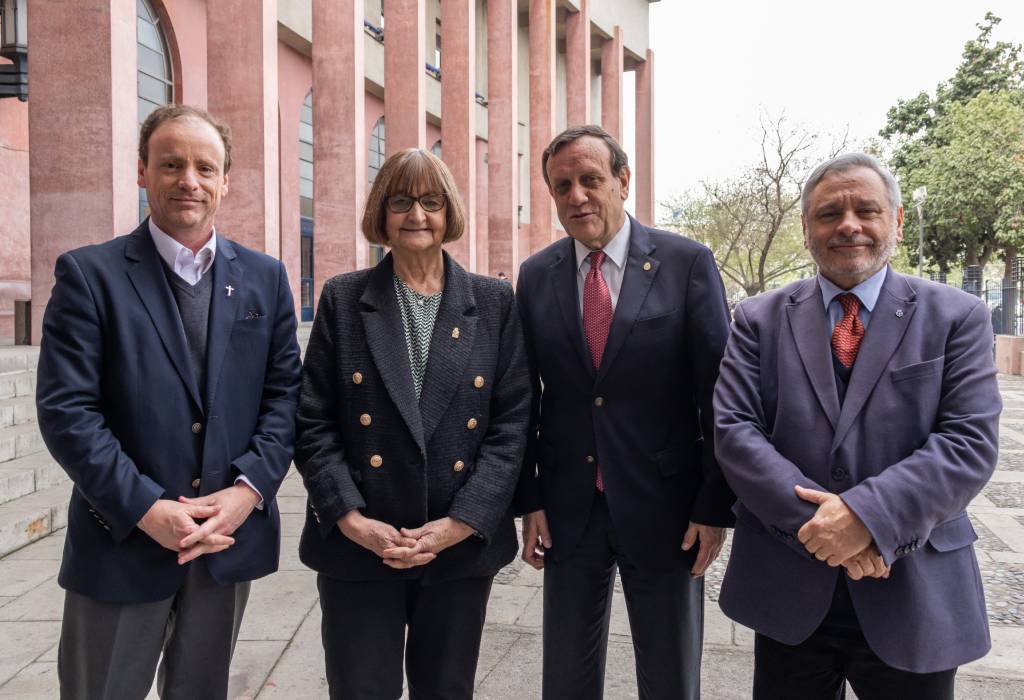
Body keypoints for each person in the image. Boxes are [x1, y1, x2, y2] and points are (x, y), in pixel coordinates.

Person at [35, 104, 302, 700]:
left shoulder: (264, 277)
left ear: (225, 180)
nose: (189, 179)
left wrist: (245, 492)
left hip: (224, 541)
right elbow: (67, 412)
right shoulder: (89, 275)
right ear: (142, 171)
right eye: (172, 163)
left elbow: (285, 397)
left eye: (205, 167)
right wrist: (147, 509)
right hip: (123, 541)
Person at [714, 153, 1000, 699]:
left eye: (866, 210)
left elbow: (968, 443)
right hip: (788, 592)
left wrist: (867, 518)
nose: (848, 224)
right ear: (806, 230)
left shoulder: (958, 317)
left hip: (915, 592)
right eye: (829, 214)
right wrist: (829, 532)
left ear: (894, 220)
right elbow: (736, 433)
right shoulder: (756, 320)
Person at [295, 148, 530, 699]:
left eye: (431, 201)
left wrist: (460, 524)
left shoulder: (494, 302)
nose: (416, 215)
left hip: (456, 549)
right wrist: (354, 522)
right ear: (381, 212)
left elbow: (513, 423)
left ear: (449, 212)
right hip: (360, 547)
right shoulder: (344, 297)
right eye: (401, 201)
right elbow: (313, 421)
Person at [514, 125, 734, 700]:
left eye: (591, 180)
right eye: (562, 186)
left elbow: (720, 394)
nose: (577, 196)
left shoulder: (686, 263)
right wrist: (530, 497)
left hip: (667, 507)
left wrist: (715, 504)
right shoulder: (536, 276)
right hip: (569, 508)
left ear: (623, 181)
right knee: (564, 676)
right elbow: (523, 398)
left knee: (669, 673)